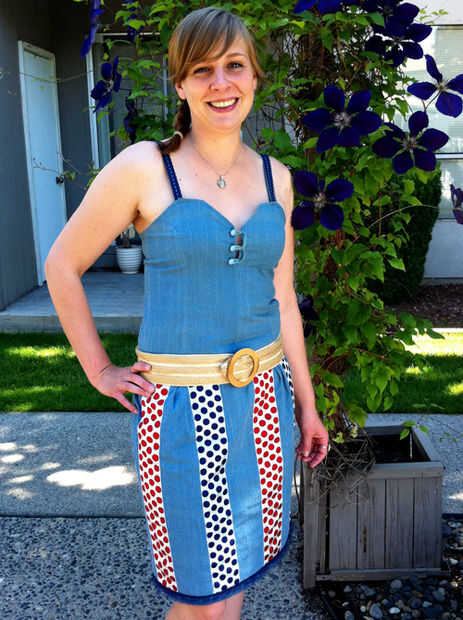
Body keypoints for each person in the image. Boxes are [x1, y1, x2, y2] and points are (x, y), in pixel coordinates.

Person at [45, 6, 329, 620]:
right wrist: (99, 369)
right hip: (182, 412)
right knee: (203, 598)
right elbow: (62, 265)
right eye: (202, 69)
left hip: (266, 405)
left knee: (238, 582)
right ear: (179, 83)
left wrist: (307, 406)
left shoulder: (276, 179)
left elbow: (283, 299)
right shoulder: (145, 167)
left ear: (255, 76)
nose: (220, 83)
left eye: (234, 65)